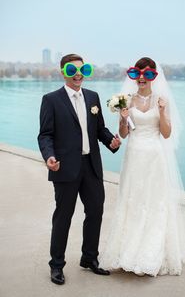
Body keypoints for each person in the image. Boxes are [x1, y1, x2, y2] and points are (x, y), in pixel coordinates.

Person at [100, 57, 185, 276]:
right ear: (133, 76)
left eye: (147, 74)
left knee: (154, 202)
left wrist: (161, 111)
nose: (142, 78)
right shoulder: (127, 100)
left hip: (154, 157)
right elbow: (123, 134)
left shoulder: (161, 100)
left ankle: (151, 254)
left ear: (153, 77)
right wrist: (123, 118)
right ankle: (127, 252)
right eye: (138, 74)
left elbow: (166, 133)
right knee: (132, 200)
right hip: (133, 157)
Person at [38, 53, 121, 285]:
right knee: (63, 216)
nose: (77, 74)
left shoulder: (93, 97)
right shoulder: (51, 99)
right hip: (65, 168)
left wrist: (110, 142)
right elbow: (45, 135)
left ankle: (89, 258)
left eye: (82, 70)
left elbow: (100, 129)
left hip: (91, 166)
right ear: (63, 73)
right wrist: (49, 157)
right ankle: (56, 266)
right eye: (71, 70)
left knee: (95, 212)